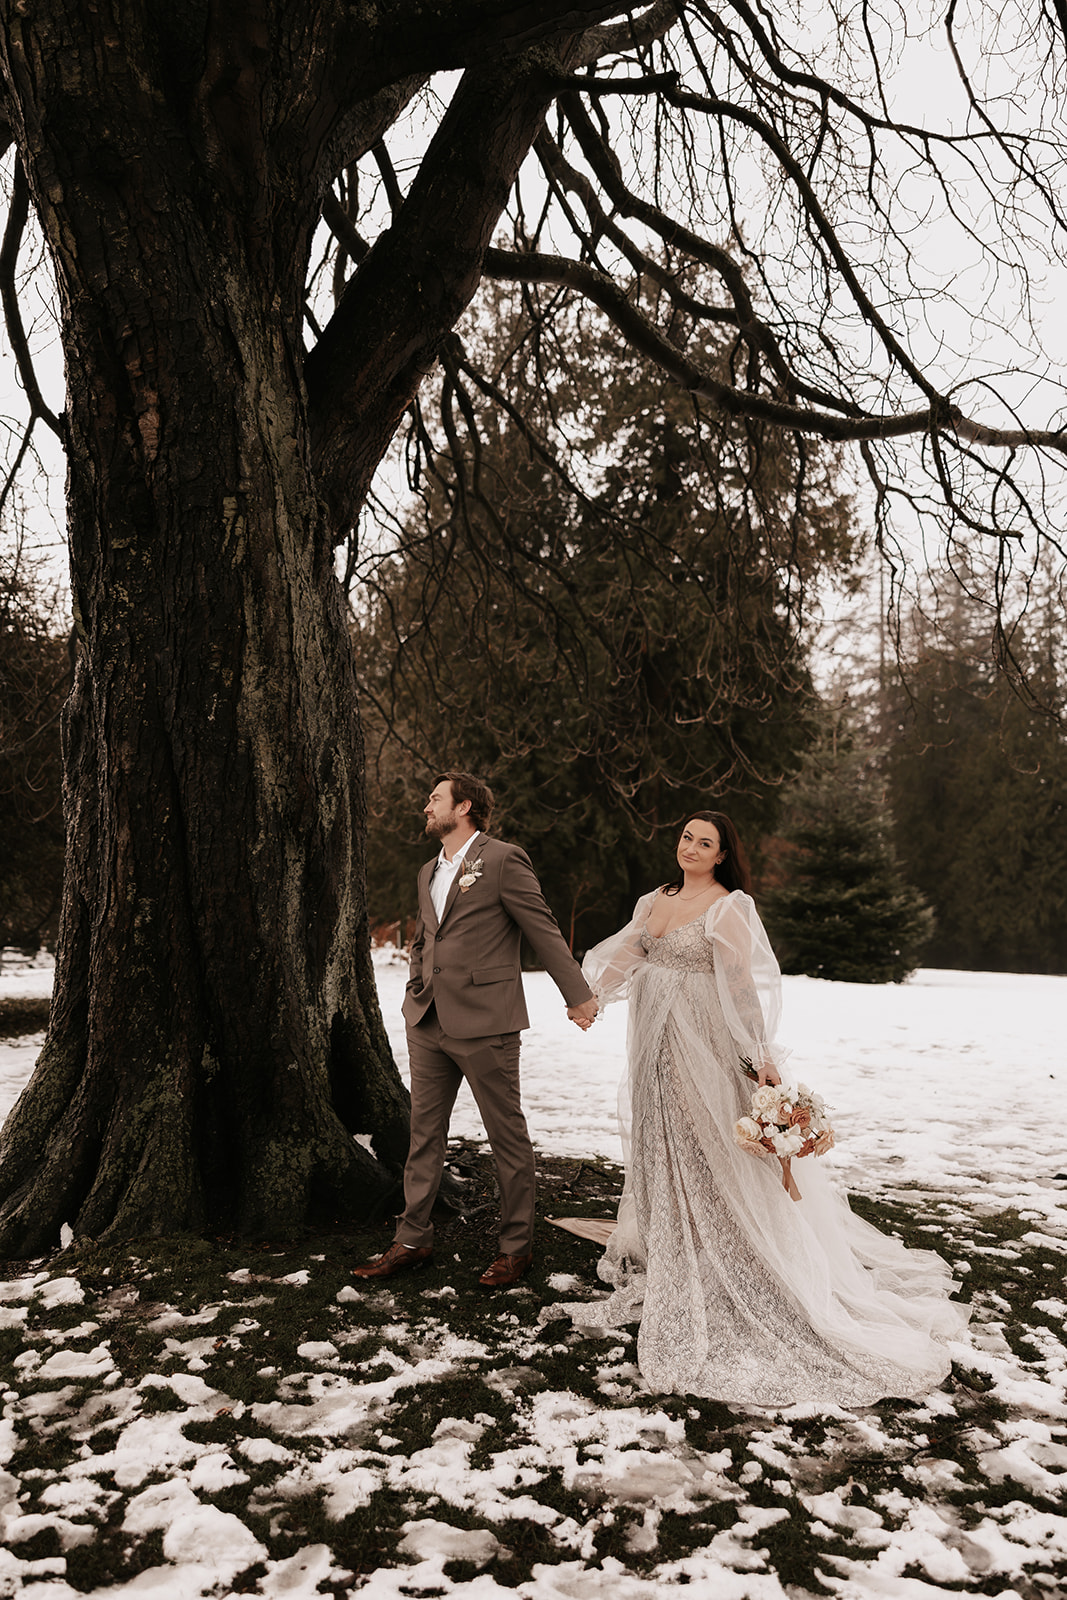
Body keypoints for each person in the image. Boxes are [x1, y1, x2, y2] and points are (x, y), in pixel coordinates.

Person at [542, 811, 969, 1407]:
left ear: (722, 854)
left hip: (702, 1042)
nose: (691, 847)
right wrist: (588, 999)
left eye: (705, 843)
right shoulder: (654, 900)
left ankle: (730, 1253)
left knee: (707, 1142)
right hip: (652, 1045)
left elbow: (741, 986)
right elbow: (626, 956)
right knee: (661, 1140)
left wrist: (760, 1054)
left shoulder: (727, 907)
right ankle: (674, 1246)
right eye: (687, 837)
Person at [353, 772, 599, 1290]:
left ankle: (515, 1249)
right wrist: (417, 985)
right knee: (424, 1135)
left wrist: (577, 994)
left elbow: (542, 928)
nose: (426, 806)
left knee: (506, 1137)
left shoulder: (504, 859)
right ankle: (412, 1237)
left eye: (435, 798)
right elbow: (426, 938)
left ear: (463, 806)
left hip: (487, 1023)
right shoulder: (427, 871)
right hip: (427, 1021)